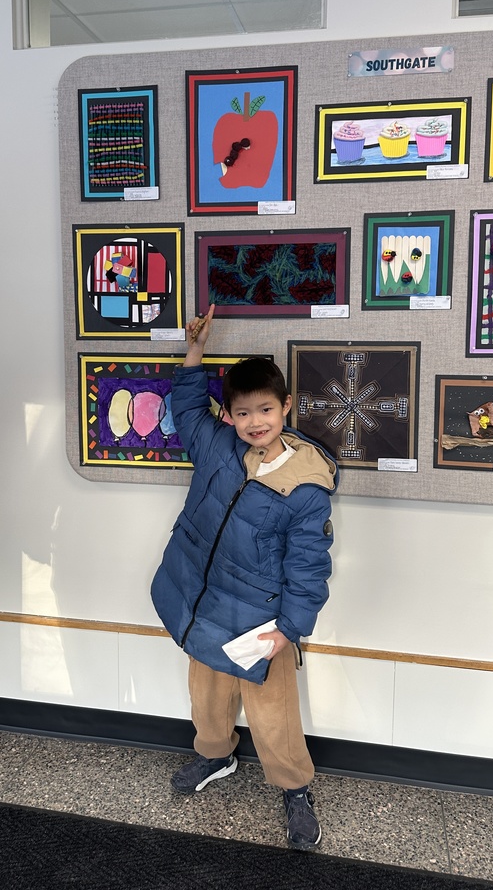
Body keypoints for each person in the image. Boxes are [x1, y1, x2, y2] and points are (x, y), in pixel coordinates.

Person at [150, 304, 339, 850]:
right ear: (229, 415)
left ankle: (295, 788)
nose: (256, 422)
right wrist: (195, 350)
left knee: (273, 713)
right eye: (243, 412)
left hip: (261, 619)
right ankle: (215, 756)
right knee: (206, 696)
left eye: (266, 410)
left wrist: (290, 628)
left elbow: (309, 566)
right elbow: (187, 407)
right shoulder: (218, 446)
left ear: (286, 407)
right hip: (202, 599)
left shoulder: (305, 485)